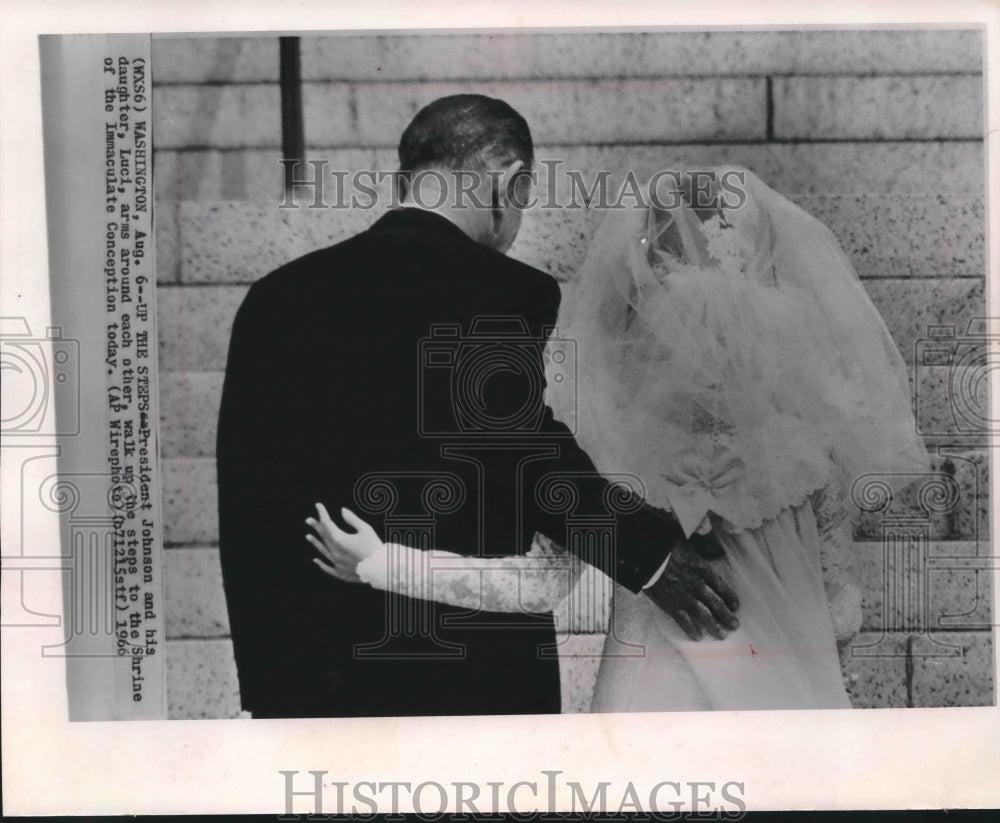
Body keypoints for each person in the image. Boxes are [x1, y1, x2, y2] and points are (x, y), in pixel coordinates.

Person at [307, 167, 929, 711]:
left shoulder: (611, 451)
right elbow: (844, 608)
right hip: (787, 711)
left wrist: (384, 562)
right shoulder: (809, 459)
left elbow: (538, 585)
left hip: (648, 714)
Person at [216, 94, 736, 718]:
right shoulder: (503, 290)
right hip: (464, 674)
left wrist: (268, 683)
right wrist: (647, 555)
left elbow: (246, 499)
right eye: (523, 199)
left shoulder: (274, 298)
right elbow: (525, 454)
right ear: (509, 182)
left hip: (305, 676)